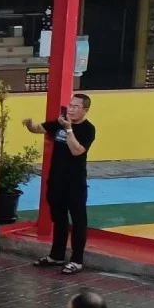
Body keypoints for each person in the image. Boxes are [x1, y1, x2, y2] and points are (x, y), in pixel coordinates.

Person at [23, 92, 96, 275]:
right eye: (70, 105)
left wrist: (69, 130)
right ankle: (56, 255)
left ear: (85, 110)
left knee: (78, 220)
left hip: (75, 181)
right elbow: (40, 128)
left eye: (76, 107)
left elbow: (77, 151)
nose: (71, 109)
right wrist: (30, 125)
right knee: (59, 218)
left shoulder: (88, 129)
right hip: (57, 179)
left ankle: (77, 260)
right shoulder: (60, 122)